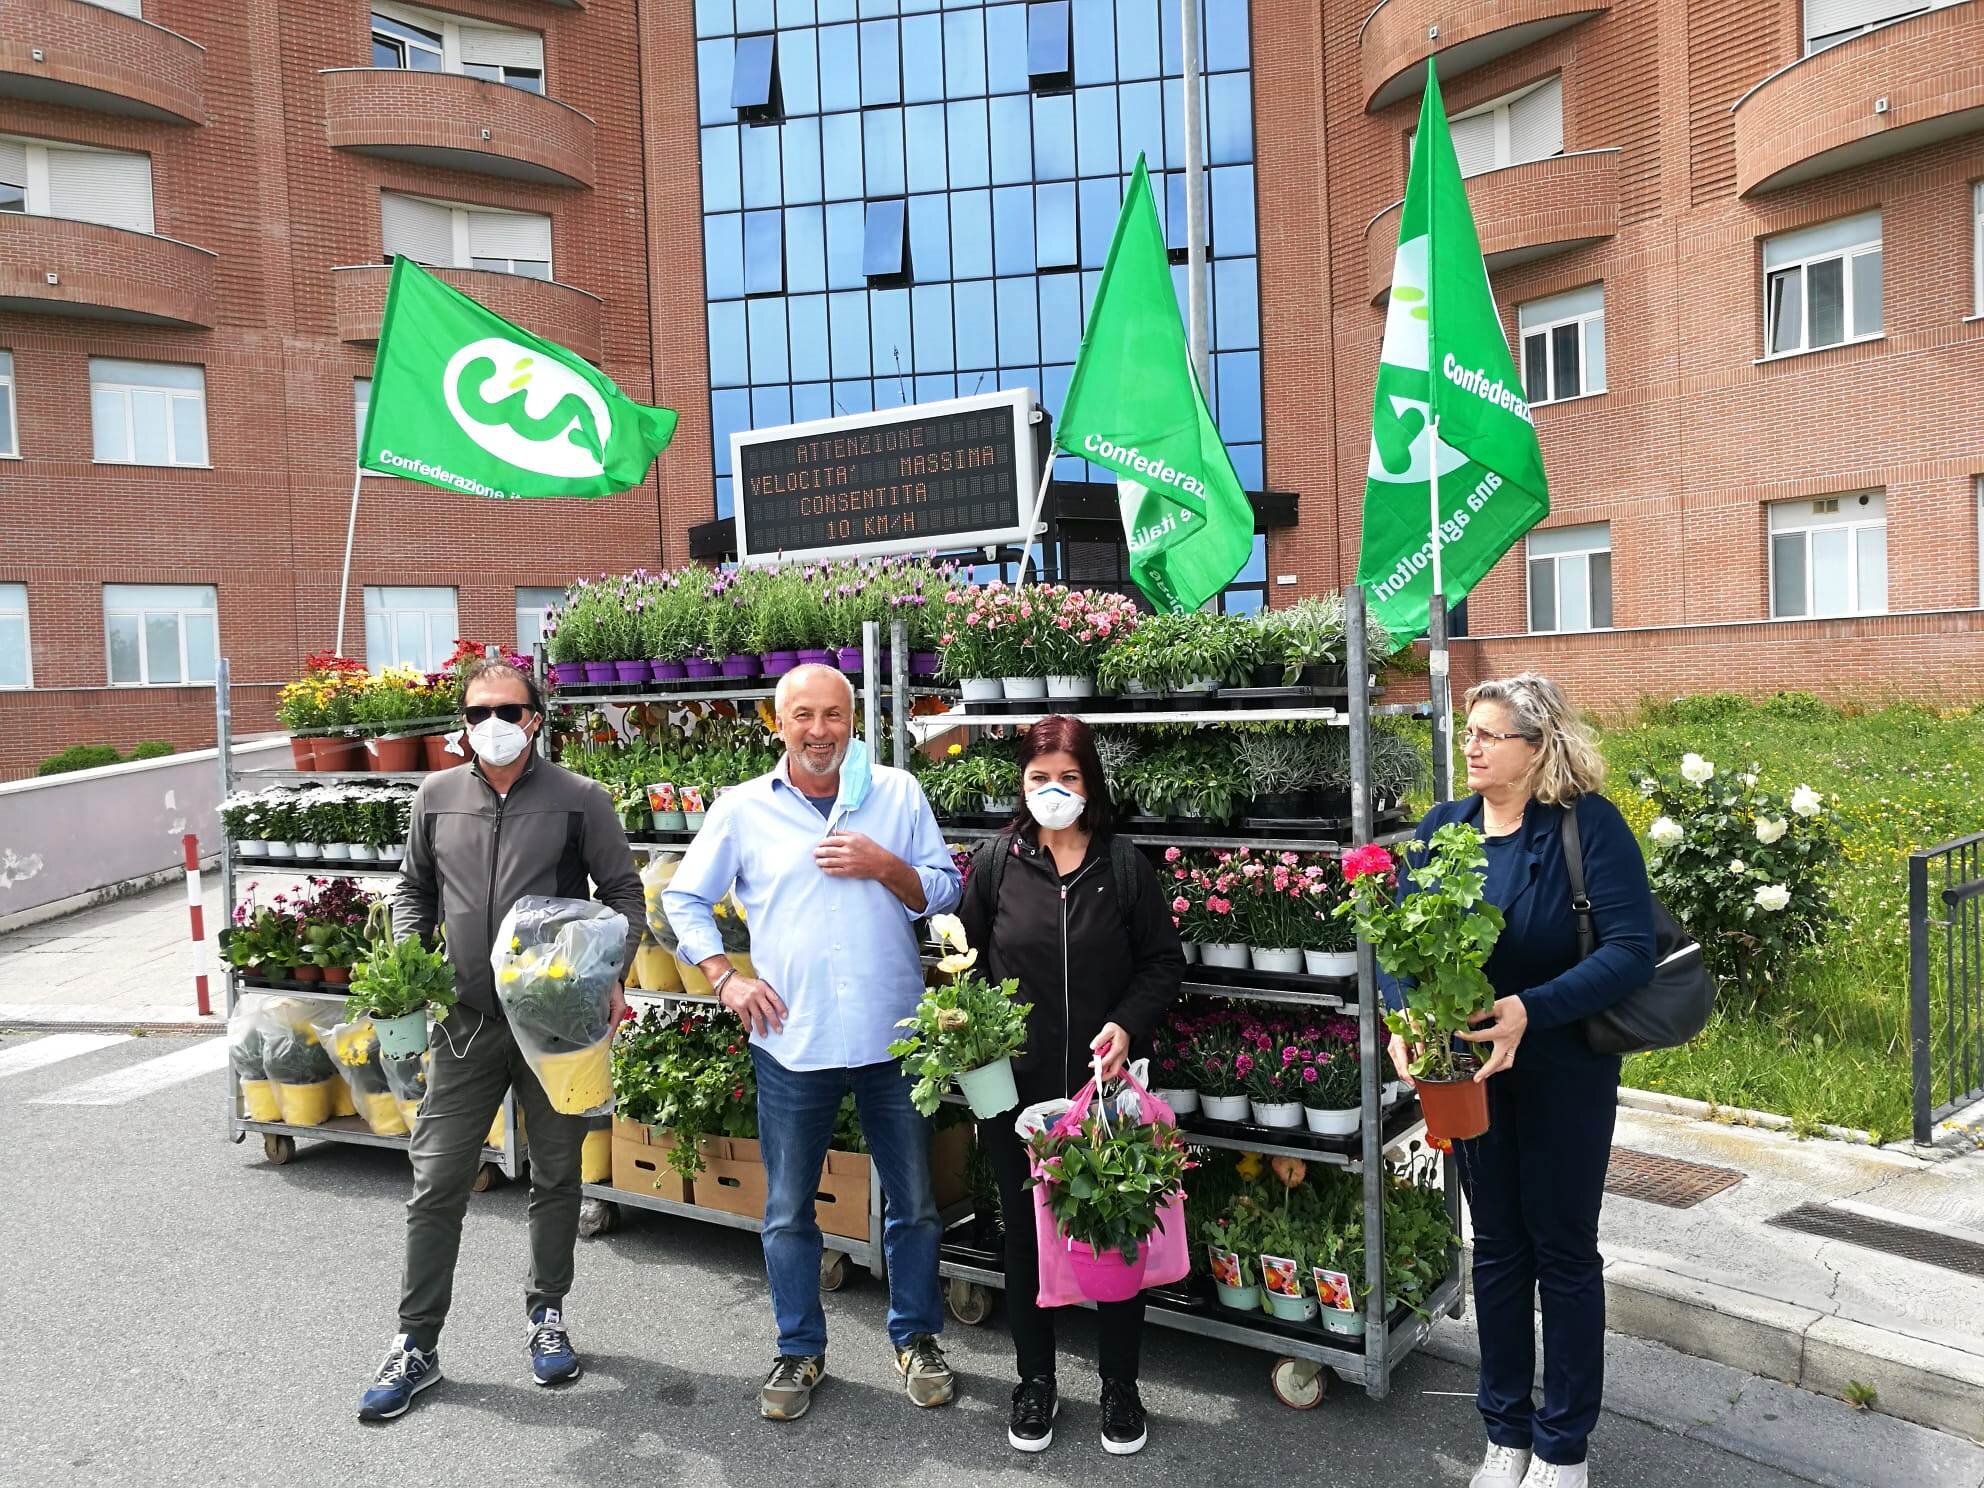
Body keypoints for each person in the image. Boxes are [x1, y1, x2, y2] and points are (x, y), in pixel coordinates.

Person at [663, 663, 963, 1423]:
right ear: (779, 722)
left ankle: (917, 1338)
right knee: (790, 1208)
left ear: (852, 720)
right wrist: (725, 980)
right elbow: (683, 896)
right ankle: (799, 1347)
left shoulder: (897, 794)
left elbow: (945, 888)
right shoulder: (742, 809)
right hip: (792, 1042)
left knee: (916, 1203)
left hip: (892, 1036)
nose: (819, 731)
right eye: (803, 716)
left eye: (833, 715)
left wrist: (884, 865)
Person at [1385, 674, 1655, 1488]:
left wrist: (1528, 1010)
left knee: (1564, 1251)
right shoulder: (1442, 830)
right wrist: (1405, 1026)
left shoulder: (1587, 829)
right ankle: (1505, 1432)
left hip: (1564, 1074)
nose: (1469, 746)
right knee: (1497, 1249)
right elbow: (1397, 948)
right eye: (1467, 731)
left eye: (1490, 734)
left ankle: (1565, 1446)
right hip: (1465, 1079)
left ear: (1537, 749)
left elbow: (1629, 950)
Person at [358, 658, 644, 1422]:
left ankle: (546, 1313)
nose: (493, 723)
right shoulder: (436, 795)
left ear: (535, 718)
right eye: (479, 709)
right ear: (462, 720)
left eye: (508, 710)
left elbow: (622, 894)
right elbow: (414, 889)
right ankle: (415, 1341)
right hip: (465, 1024)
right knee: (437, 1180)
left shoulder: (580, 799)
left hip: (557, 1026)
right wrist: (417, 961)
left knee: (556, 1176)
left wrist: (611, 970)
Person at [955, 714, 1185, 1457]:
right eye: (1039, 778)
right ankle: (1035, 1382)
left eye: (1070, 777)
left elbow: (1162, 963)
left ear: (1092, 784)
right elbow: (965, 964)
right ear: (1021, 785)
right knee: (1023, 1239)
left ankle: (1120, 1385)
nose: (1054, 790)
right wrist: (971, 1031)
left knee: (1117, 1232)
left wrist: (1125, 1024)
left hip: (1107, 1097)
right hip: (1014, 1096)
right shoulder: (995, 865)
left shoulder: (1121, 868)